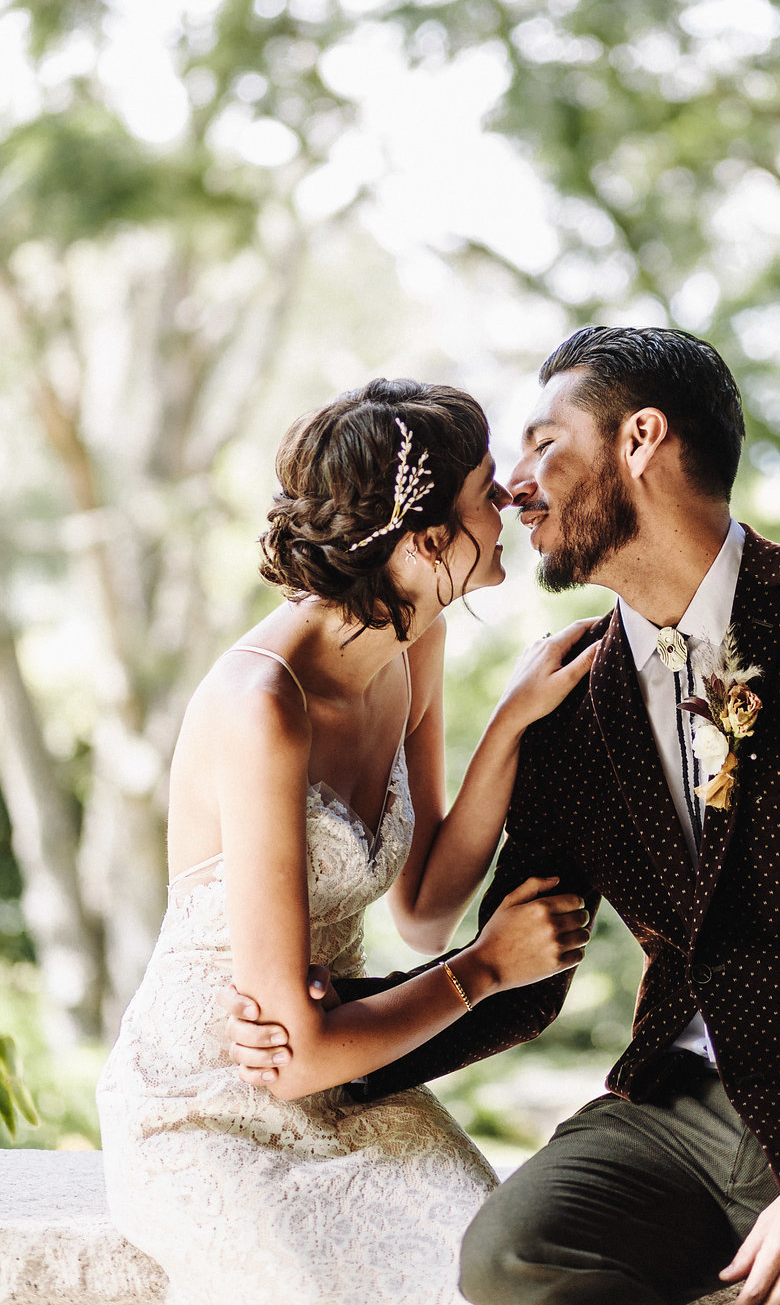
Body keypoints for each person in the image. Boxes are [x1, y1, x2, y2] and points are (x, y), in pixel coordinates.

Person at [228, 327, 780, 1305]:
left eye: (542, 443)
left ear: (640, 439)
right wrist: (325, 1048)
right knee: (507, 1258)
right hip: (674, 1115)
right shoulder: (573, 700)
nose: (514, 486)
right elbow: (527, 966)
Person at [96, 377, 596, 1305]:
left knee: (495, 1275)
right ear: (423, 542)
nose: (513, 499)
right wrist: (486, 970)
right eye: (488, 489)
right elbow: (294, 1054)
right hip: (211, 1101)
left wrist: (513, 722)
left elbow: (423, 906)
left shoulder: (416, 637)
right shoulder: (263, 710)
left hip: (351, 1079)